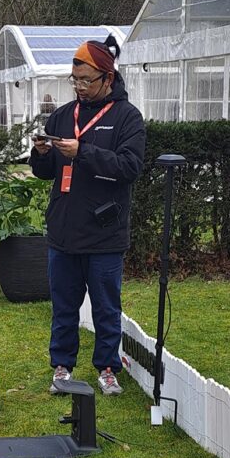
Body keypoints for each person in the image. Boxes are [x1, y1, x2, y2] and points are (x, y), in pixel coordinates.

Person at [29, 35, 146, 396]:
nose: (79, 87)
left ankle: (108, 369)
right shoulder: (64, 114)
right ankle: (61, 367)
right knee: (63, 305)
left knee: (105, 307)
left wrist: (83, 151)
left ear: (107, 79)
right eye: (75, 80)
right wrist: (41, 154)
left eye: (86, 80)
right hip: (63, 232)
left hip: (104, 234)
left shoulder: (127, 117)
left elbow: (130, 167)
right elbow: (46, 172)